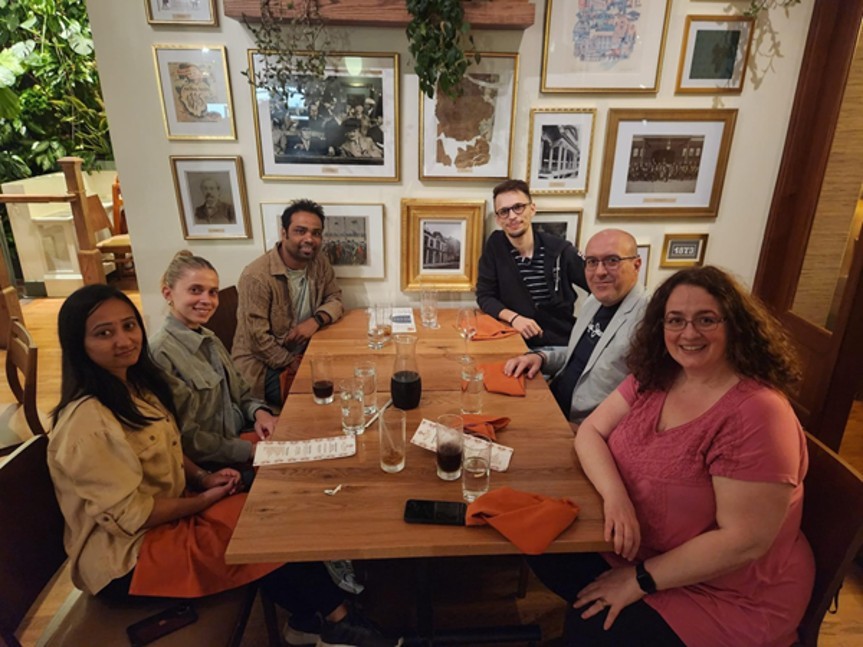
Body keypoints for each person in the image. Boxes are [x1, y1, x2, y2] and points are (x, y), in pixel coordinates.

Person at [47, 284, 400, 647]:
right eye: (104, 333)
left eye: (128, 326)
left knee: (274, 507)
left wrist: (202, 477)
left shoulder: (132, 385)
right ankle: (337, 620)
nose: (123, 340)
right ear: (78, 343)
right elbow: (133, 515)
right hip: (127, 559)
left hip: (167, 515)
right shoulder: (87, 423)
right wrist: (205, 500)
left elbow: (169, 447)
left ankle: (311, 617)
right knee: (266, 524)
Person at [529, 266, 815, 646]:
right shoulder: (658, 374)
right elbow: (590, 433)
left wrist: (640, 579)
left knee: (593, 627)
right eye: (675, 320)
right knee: (538, 542)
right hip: (640, 546)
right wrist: (617, 499)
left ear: (736, 325)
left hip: (723, 589)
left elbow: (744, 541)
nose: (689, 333)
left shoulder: (758, 412)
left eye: (706, 319)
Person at [150, 251, 277, 479]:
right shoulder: (161, 354)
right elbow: (185, 439)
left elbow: (242, 391)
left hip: (237, 438)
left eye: (213, 292)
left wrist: (260, 413)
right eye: (195, 290)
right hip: (212, 466)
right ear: (168, 293)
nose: (207, 300)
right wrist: (248, 450)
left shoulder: (209, 337)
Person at [504, 229, 647, 426]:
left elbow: (645, 407)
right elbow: (579, 356)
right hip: (552, 402)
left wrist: (587, 434)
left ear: (636, 265)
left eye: (612, 260)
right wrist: (540, 357)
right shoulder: (594, 301)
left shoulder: (649, 321)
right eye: (592, 262)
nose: (600, 272)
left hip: (581, 426)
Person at [233, 199, 343, 405]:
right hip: (264, 368)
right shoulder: (256, 276)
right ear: (284, 233)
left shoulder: (319, 263)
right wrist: (292, 363)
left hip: (304, 353)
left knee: (348, 376)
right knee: (329, 394)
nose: (309, 238)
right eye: (300, 231)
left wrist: (316, 320)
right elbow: (258, 341)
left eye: (316, 233)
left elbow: (335, 298)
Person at [476, 179, 587, 348]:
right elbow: (485, 296)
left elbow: (598, 288)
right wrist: (514, 318)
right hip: (515, 341)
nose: (512, 216)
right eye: (504, 211)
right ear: (498, 219)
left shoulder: (560, 250)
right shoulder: (495, 247)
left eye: (518, 207)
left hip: (559, 342)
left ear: (532, 209)